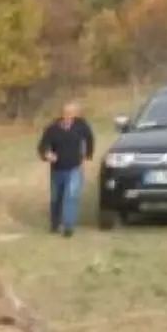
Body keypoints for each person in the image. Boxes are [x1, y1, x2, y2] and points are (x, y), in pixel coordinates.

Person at [37, 100, 95, 236]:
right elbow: (42, 146)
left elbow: (90, 139)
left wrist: (87, 156)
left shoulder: (81, 125)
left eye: (71, 113)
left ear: (75, 114)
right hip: (57, 168)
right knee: (56, 198)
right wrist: (47, 154)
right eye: (65, 113)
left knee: (71, 196)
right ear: (61, 113)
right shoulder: (53, 128)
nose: (68, 115)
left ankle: (68, 226)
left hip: (75, 166)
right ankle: (55, 223)